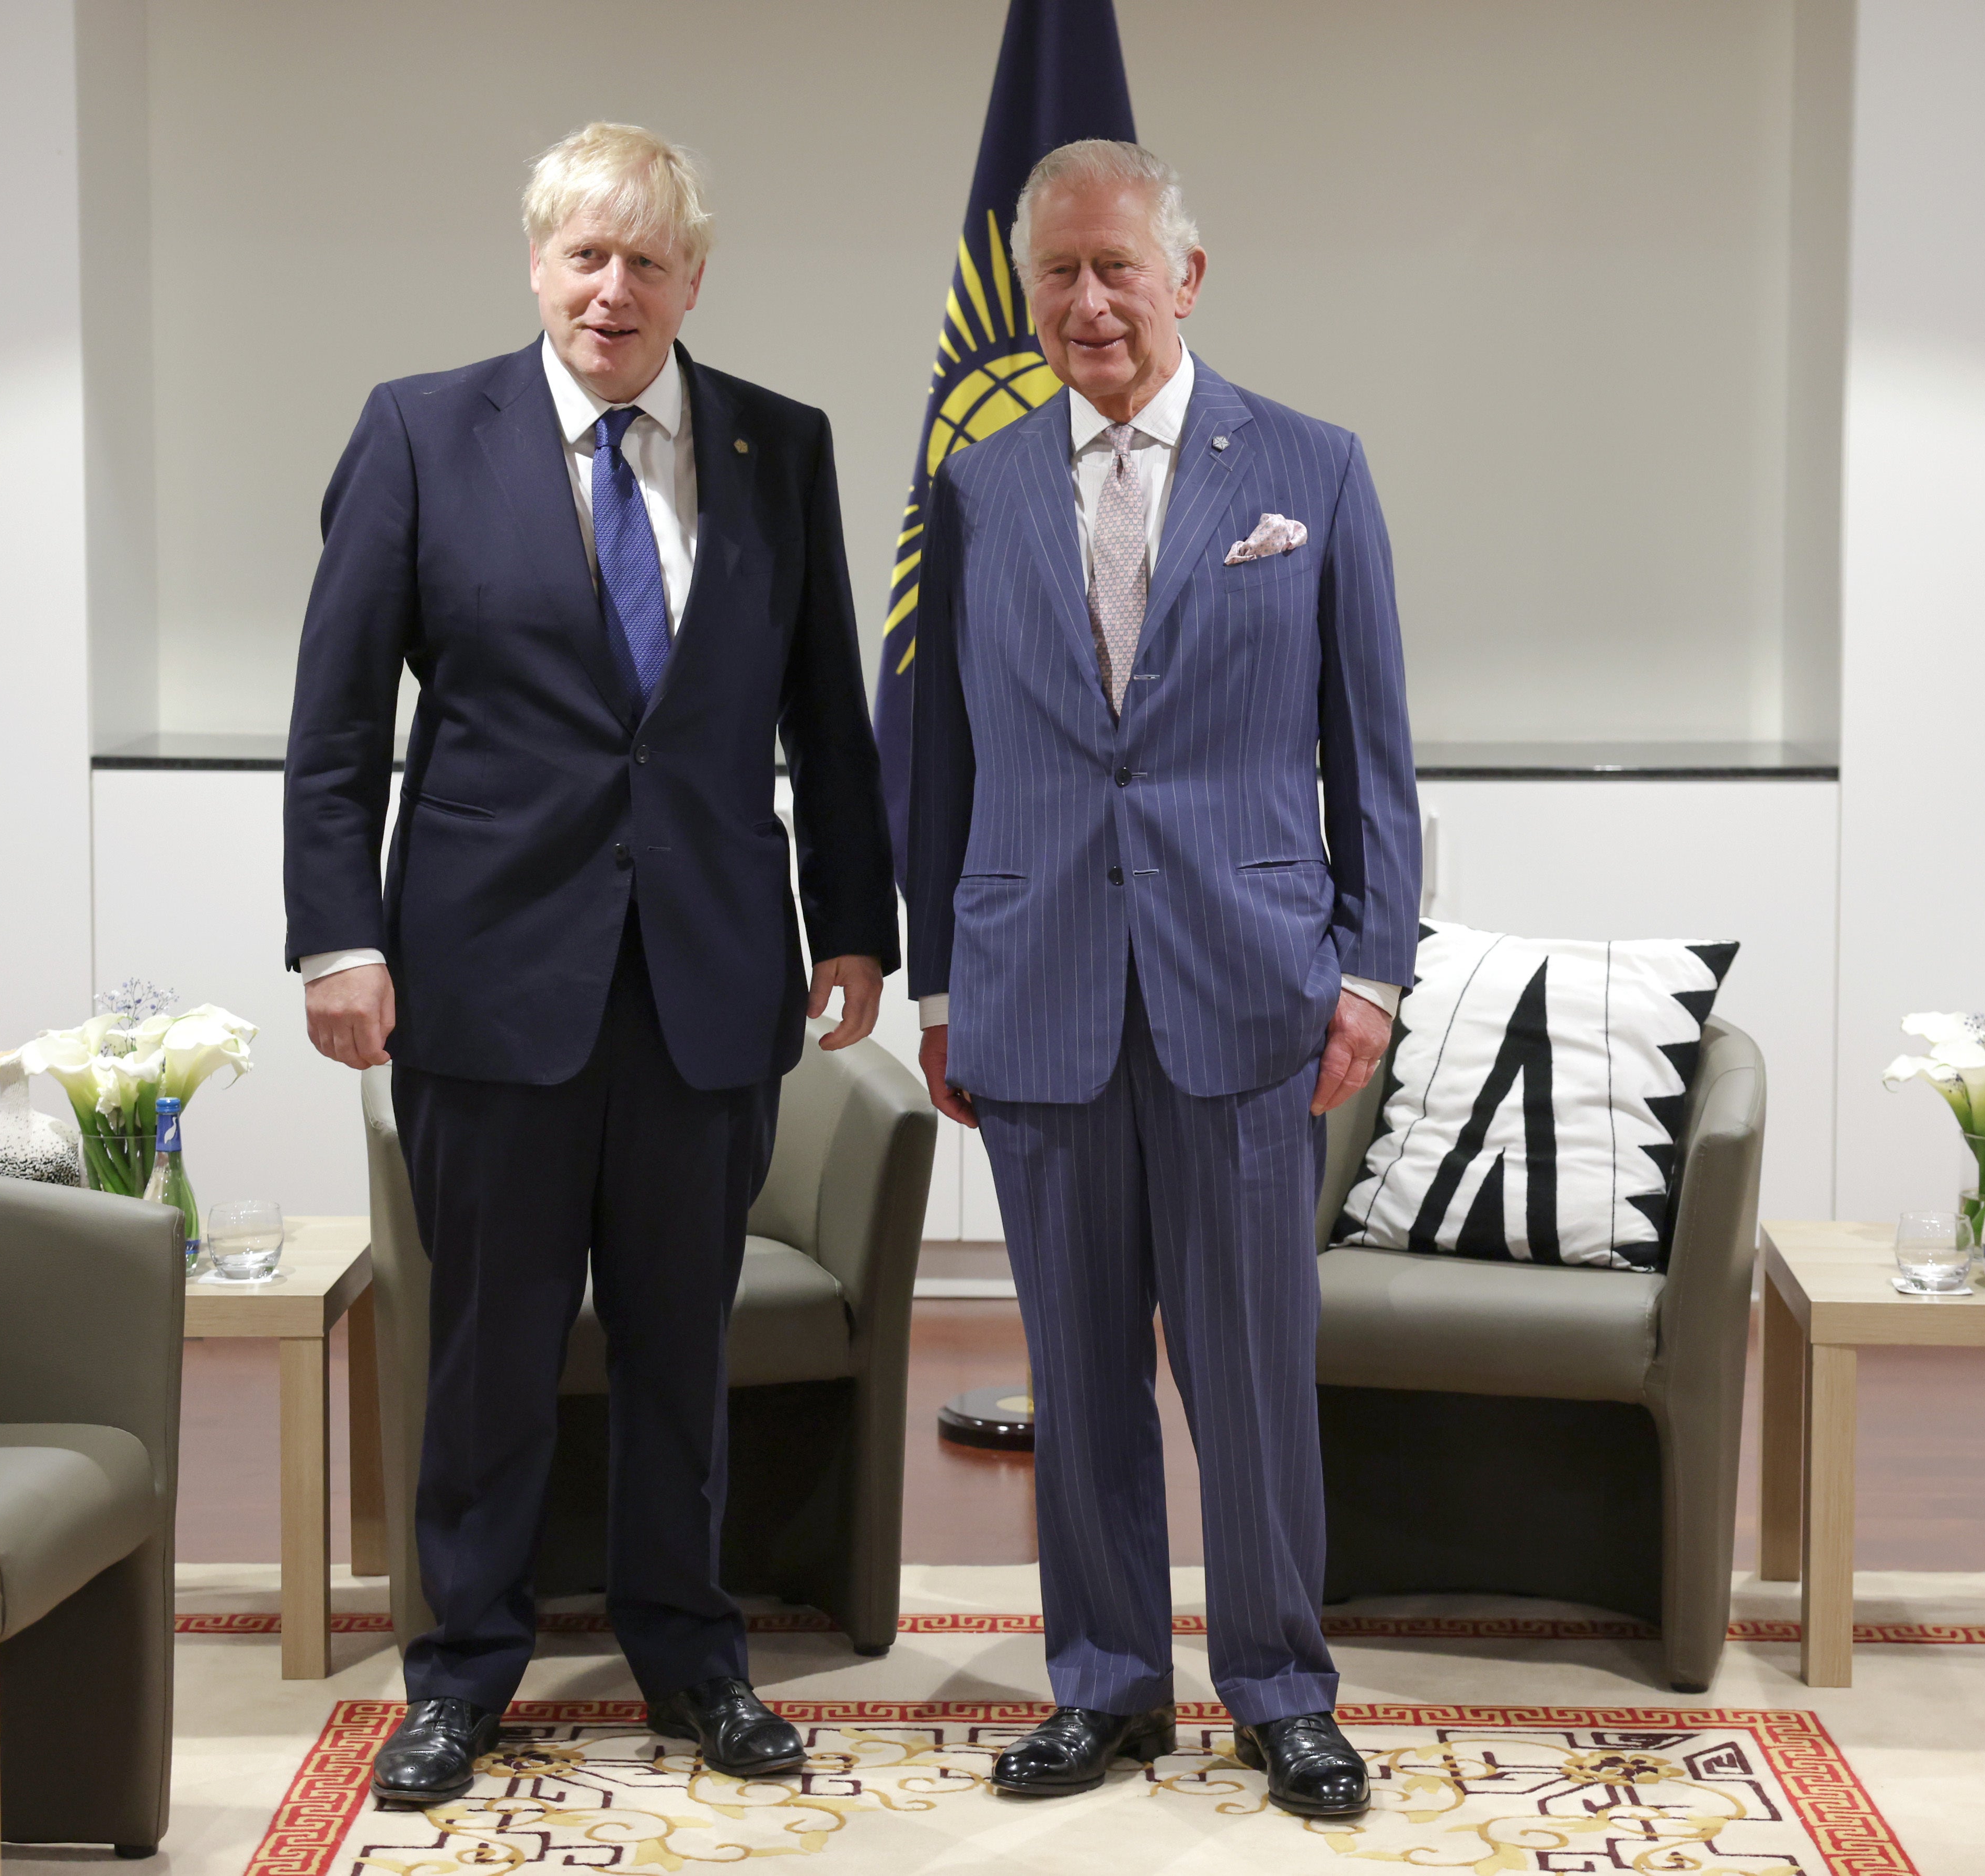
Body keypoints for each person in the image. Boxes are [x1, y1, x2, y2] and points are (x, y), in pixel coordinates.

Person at [283, 122, 897, 1807]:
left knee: (681, 1347)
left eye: (647, 261)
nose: (611, 289)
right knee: (486, 1346)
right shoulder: (420, 434)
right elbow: (338, 724)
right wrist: (339, 936)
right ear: (535, 262)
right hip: (484, 982)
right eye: (583, 255)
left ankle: (692, 1657)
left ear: (693, 278)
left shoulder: (781, 445)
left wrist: (854, 921)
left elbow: (823, 716)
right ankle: (461, 1670)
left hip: (706, 981)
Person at [903, 138, 1420, 1817]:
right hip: (1035, 978)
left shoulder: (1311, 469)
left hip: (1249, 988)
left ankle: (1279, 1686)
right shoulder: (973, 491)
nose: (1086, 300)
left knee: (1251, 1368)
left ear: (1184, 276)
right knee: (1076, 1365)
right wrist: (934, 983)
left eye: (1117, 266)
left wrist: (1372, 972)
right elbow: (941, 756)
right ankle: (1107, 1685)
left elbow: (1376, 757)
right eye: (1057, 272)